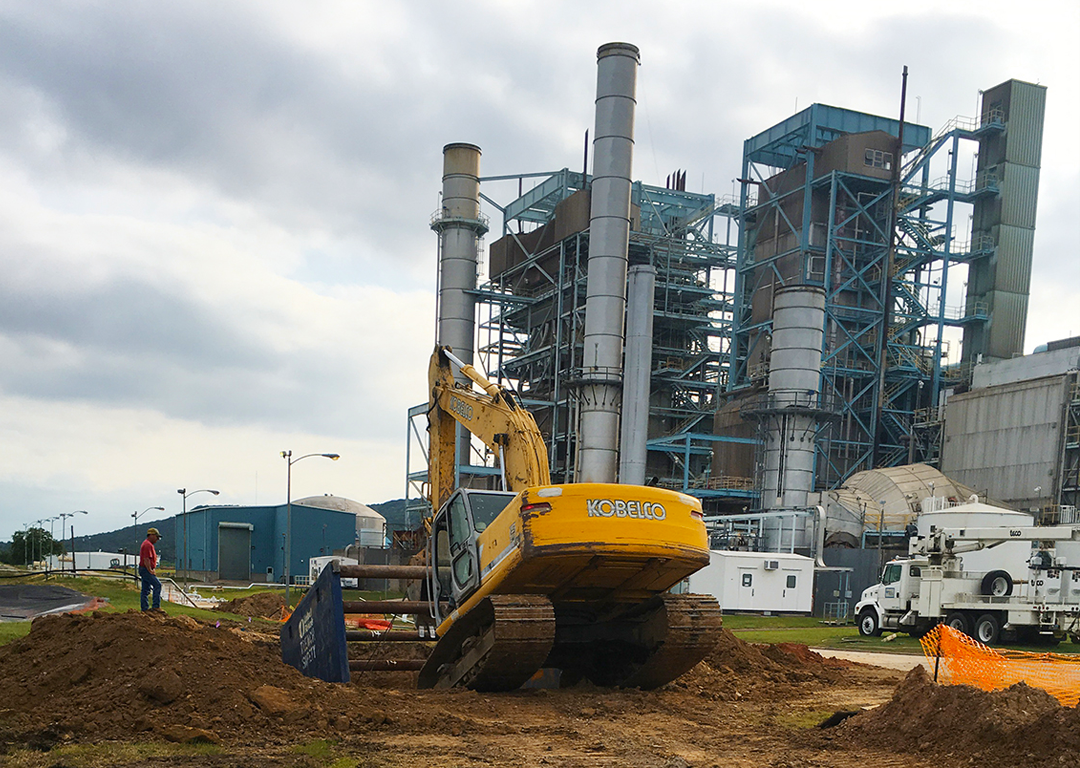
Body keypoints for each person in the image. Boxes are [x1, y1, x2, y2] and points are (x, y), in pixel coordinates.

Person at [140, 527, 164, 613]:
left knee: (145, 589)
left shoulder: (148, 544)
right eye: (157, 537)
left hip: (144, 569)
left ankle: (144, 608)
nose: (157, 539)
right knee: (157, 585)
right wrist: (150, 570)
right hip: (146, 569)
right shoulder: (147, 545)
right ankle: (156, 606)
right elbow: (146, 559)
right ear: (151, 535)